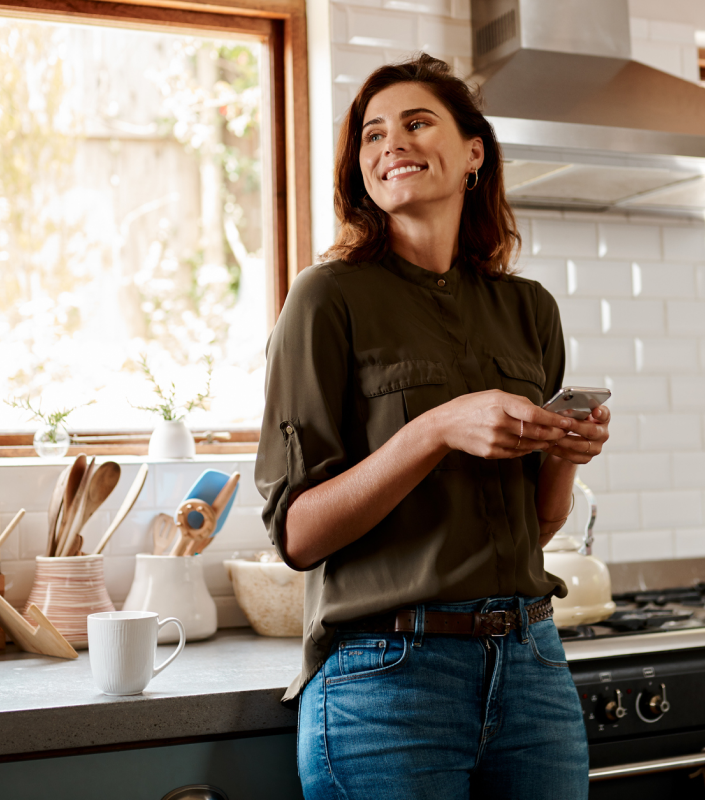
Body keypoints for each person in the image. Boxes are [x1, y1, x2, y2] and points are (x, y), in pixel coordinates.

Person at [255, 53, 610, 800]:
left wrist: (565, 454)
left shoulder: (529, 309)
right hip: (387, 678)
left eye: (417, 122)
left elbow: (535, 527)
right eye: (372, 134)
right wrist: (433, 429)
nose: (392, 143)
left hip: (532, 663)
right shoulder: (326, 300)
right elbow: (298, 536)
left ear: (473, 151)